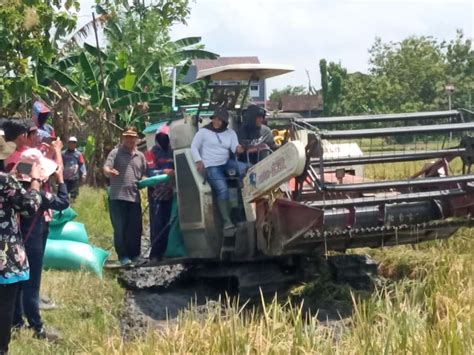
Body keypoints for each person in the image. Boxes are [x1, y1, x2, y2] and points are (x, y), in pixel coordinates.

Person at [12, 148, 68, 341]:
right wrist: (60, 180)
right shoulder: (38, 195)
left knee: (17, 284)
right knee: (31, 286)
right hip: (32, 243)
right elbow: (62, 202)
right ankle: (37, 327)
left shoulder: (12, 188)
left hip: (14, 244)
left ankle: (16, 323)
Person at [0, 135, 42, 355]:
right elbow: (29, 207)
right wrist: (35, 182)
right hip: (4, 258)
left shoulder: (7, 181)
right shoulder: (5, 181)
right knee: (3, 308)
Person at [191, 107, 246, 229]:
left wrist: (239, 149)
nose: (216, 122)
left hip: (225, 163)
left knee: (247, 168)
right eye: (215, 119)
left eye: (219, 120)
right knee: (223, 189)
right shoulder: (203, 132)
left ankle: (242, 208)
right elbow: (194, 147)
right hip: (211, 166)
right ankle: (227, 222)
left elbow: (234, 148)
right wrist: (199, 161)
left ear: (225, 122)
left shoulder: (230, 133)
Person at [104, 127, 146, 266]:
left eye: (132, 137)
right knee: (120, 228)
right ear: (123, 138)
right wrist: (109, 171)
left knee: (135, 228)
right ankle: (123, 257)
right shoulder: (115, 153)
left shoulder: (140, 156)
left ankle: (135, 255)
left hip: (134, 198)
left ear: (136, 139)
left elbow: (145, 173)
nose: (129, 140)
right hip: (117, 197)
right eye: (127, 137)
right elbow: (106, 168)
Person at [145, 124, 174, 262]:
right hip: (156, 194)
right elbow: (150, 172)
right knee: (157, 224)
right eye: (161, 137)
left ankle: (166, 252)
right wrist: (164, 172)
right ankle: (155, 255)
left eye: (165, 137)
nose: (163, 140)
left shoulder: (172, 152)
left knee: (169, 223)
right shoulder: (151, 152)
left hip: (171, 193)